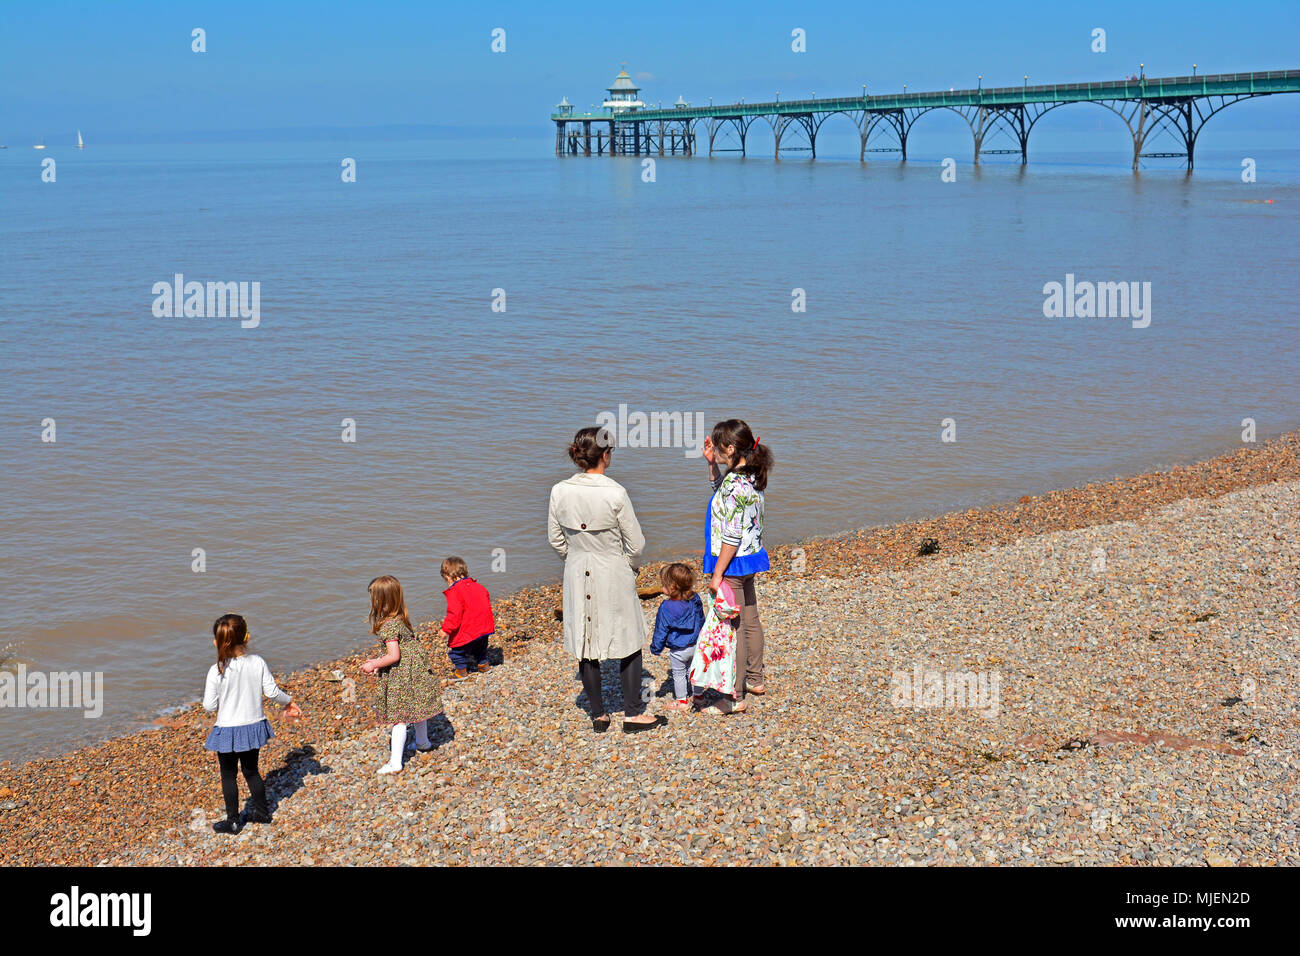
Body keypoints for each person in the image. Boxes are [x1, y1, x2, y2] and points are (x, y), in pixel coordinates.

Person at [548, 426, 665, 734]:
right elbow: (636, 543)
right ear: (605, 454)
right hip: (612, 568)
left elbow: (555, 539)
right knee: (628, 639)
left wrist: (575, 558)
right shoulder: (615, 492)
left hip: (577, 568)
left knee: (586, 640)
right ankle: (632, 713)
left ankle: (598, 714)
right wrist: (627, 566)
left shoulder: (559, 490)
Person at [203, 614, 301, 834]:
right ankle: (262, 812)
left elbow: (209, 706)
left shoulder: (216, 670)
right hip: (252, 726)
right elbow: (272, 692)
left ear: (216, 642)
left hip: (227, 729)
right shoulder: (257, 662)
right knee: (251, 771)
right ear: (247, 637)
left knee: (228, 775)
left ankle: (233, 821)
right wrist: (289, 703)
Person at [703, 419, 773, 712]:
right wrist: (712, 466)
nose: (716, 451)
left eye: (718, 448)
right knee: (750, 620)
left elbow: (730, 534)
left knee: (733, 627)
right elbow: (725, 495)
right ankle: (755, 679)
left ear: (730, 448)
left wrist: (717, 573)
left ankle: (734, 696)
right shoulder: (751, 477)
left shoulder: (735, 484)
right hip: (750, 558)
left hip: (731, 562)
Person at [360, 575, 443, 773]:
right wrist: (381, 664)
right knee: (417, 708)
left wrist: (373, 664)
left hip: (403, 677)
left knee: (400, 717)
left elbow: (394, 655)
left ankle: (395, 763)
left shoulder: (388, 626)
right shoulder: (400, 619)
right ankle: (423, 742)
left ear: (379, 600)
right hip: (415, 672)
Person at [650, 562, 704, 712]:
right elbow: (700, 618)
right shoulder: (694, 598)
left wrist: (656, 647)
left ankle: (682, 701)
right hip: (695, 643)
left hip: (678, 649)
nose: (662, 588)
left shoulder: (666, 607)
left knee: (679, 674)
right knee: (695, 670)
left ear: (673, 588)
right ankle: (698, 696)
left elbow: (661, 630)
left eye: (664, 585)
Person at [438, 556, 495, 679]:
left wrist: (446, 630)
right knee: (481, 648)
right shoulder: (480, 587)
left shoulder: (455, 591)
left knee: (457, 652)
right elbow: (485, 605)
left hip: (469, 629)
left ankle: (461, 672)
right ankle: (484, 665)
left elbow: (454, 614)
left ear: (447, 576)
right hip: (484, 628)